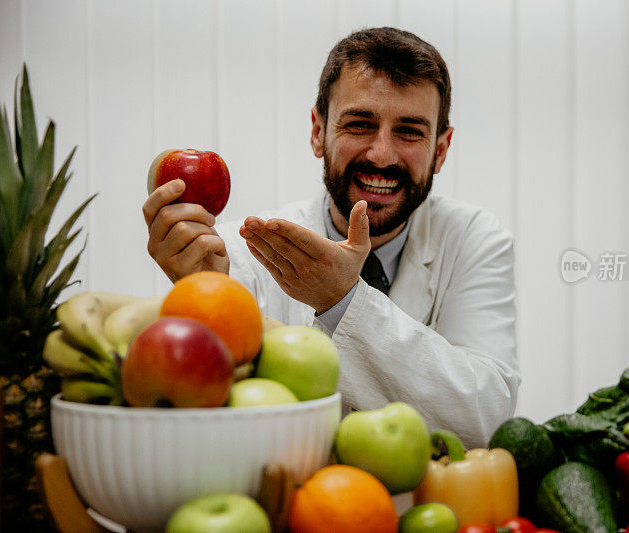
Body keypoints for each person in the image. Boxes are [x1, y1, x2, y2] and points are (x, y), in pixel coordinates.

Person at [143, 27, 518, 448]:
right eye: (359, 124)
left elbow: (487, 416)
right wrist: (203, 291)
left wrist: (342, 300)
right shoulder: (235, 253)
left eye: (409, 131)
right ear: (317, 131)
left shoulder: (475, 240)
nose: (381, 154)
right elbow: (213, 413)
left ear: (441, 149)